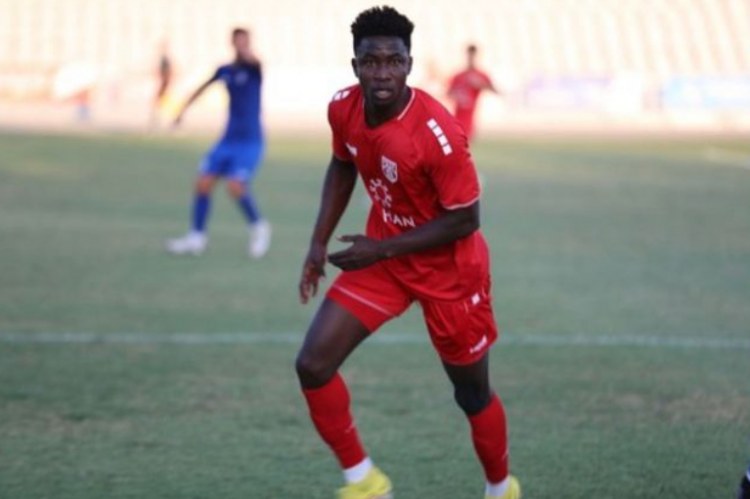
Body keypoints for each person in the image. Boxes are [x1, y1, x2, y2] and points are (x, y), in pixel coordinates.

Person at [296, 6, 520, 499]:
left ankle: (501, 488)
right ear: (355, 65)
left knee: (471, 393)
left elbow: (466, 218)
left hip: (451, 275)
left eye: (393, 61)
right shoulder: (343, 107)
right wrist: (317, 243)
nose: (382, 73)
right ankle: (365, 481)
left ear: (409, 65)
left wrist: (381, 249)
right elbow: (342, 164)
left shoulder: (436, 134)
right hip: (386, 260)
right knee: (313, 364)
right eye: (371, 62)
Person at [166, 27, 270, 258]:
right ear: (232, 43)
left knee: (235, 186)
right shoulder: (225, 70)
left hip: (250, 141)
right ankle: (197, 237)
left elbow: (255, 62)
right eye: (238, 41)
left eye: (245, 42)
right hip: (228, 139)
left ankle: (259, 227)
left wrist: (248, 54)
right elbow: (202, 88)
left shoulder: (254, 68)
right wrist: (181, 111)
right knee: (203, 183)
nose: (242, 45)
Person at [447, 44, 500, 141]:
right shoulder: (458, 76)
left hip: (470, 120)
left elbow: (495, 90)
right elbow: (448, 93)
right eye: (469, 55)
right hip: (456, 118)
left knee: (463, 144)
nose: (471, 58)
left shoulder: (480, 75)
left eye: (473, 55)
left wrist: (480, 84)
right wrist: (456, 94)